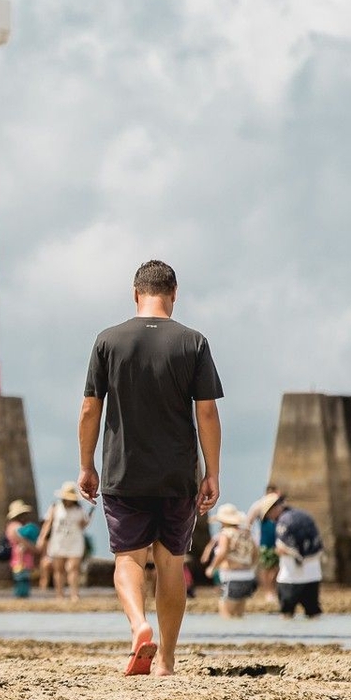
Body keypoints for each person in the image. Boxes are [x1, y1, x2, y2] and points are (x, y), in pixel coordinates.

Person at [78, 260, 224, 677]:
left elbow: (91, 408)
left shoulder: (108, 340)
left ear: (134, 293)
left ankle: (139, 626)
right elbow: (207, 413)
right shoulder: (193, 341)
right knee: (171, 563)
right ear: (174, 293)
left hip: (124, 471)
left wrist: (87, 465)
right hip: (178, 473)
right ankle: (167, 661)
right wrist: (211, 472)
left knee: (128, 559)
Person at [256, 492, 323, 618]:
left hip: (291, 576)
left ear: (274, 509)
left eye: (269, 515)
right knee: (313, 613)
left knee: (287, 614)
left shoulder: (283, 522)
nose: (270, 519)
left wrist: (280, 550)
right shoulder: (305, 515)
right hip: (313, 573)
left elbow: (284, 547)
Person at [40, 482, 92, 605]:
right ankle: (60, 594)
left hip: (74, 541)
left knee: (73, 568)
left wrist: (89, 519)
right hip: (58, 541)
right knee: (58, 570)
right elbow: (48, 524)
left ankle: (74, 594)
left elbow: (82, 526)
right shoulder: (55, 507)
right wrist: (42, 538)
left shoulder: (79, 510)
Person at [203, 503, 258, 618]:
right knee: (239, 615)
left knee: (226, 615)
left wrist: (212, 568)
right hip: (248, 576)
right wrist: (252, 568)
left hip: (231, 577)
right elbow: (255, 553)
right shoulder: (247, 533)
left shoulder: (226, 534)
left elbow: (223, 552)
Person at [246, 483, 282, 600]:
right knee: (266, 568)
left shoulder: (279, 506)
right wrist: (250, 539)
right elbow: (249, 522)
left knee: (277, 568)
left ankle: (274, 590)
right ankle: (268, 591)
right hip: (264, 541)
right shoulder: (259, 505)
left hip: (279, 541)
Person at [11, 520, 40, 597]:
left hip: (23, 566)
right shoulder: (23, 546)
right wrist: (20, 563)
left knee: (23, 581)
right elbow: (20, 553)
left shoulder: (22, 544)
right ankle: (21, 594)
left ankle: (23, 594)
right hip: (22, 566)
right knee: (22, 581)